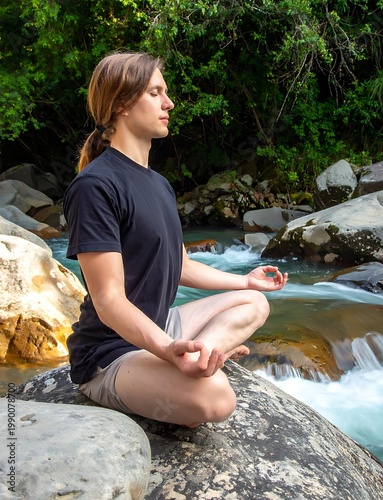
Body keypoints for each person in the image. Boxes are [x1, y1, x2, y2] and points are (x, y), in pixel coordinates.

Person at [63, 51, 288, 427]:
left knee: (254, 302)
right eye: (155, 93)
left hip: (159, 325)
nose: (169, 103)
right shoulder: (95, 187)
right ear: (121, 103)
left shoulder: (160, 185)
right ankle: (197, 363)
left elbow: (179, 265)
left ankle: (203, 357)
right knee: (216, 401)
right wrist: (167, 350)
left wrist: (245, 281)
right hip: (109, 353)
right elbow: (108, 300)